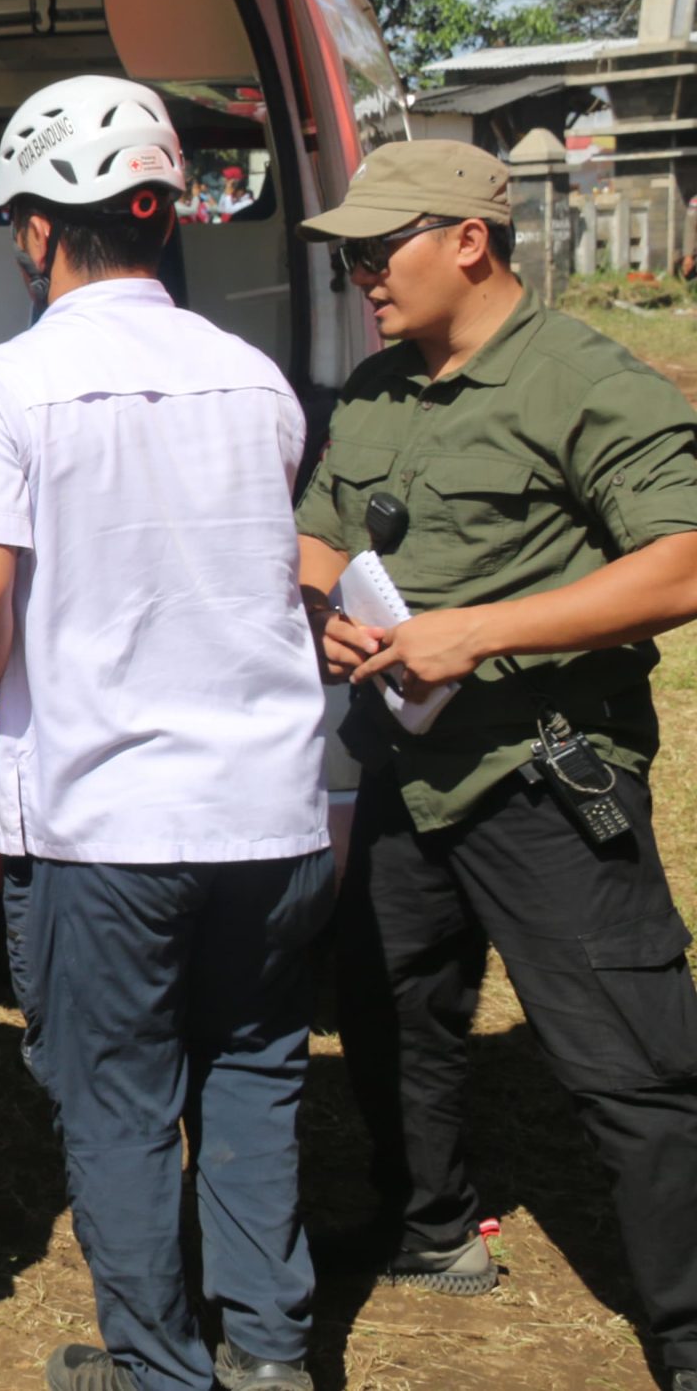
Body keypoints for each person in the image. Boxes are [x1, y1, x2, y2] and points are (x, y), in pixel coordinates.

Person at [0, 77, 331, 1391]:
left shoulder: (8, 385)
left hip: (107, 821)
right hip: (272, 807)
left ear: (37, 231)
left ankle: (158, 1370)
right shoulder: (254, 380)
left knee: (122, 1098)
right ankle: (266, 1351)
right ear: (161, 216)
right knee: (256, 1069)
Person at [293, 141, 697, 1391]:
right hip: (400, 774)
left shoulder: (583, 380)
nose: (361, 273)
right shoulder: (372, 389)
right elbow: (314, 539)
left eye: (379, 248)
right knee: (388, 1005)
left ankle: (685, 1333)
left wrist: (477, 629)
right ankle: (428, 1227)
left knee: (631, 1062)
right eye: (351, 255)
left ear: (469, 238)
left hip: (539, 773)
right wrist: (322, 616)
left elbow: (681, 561)